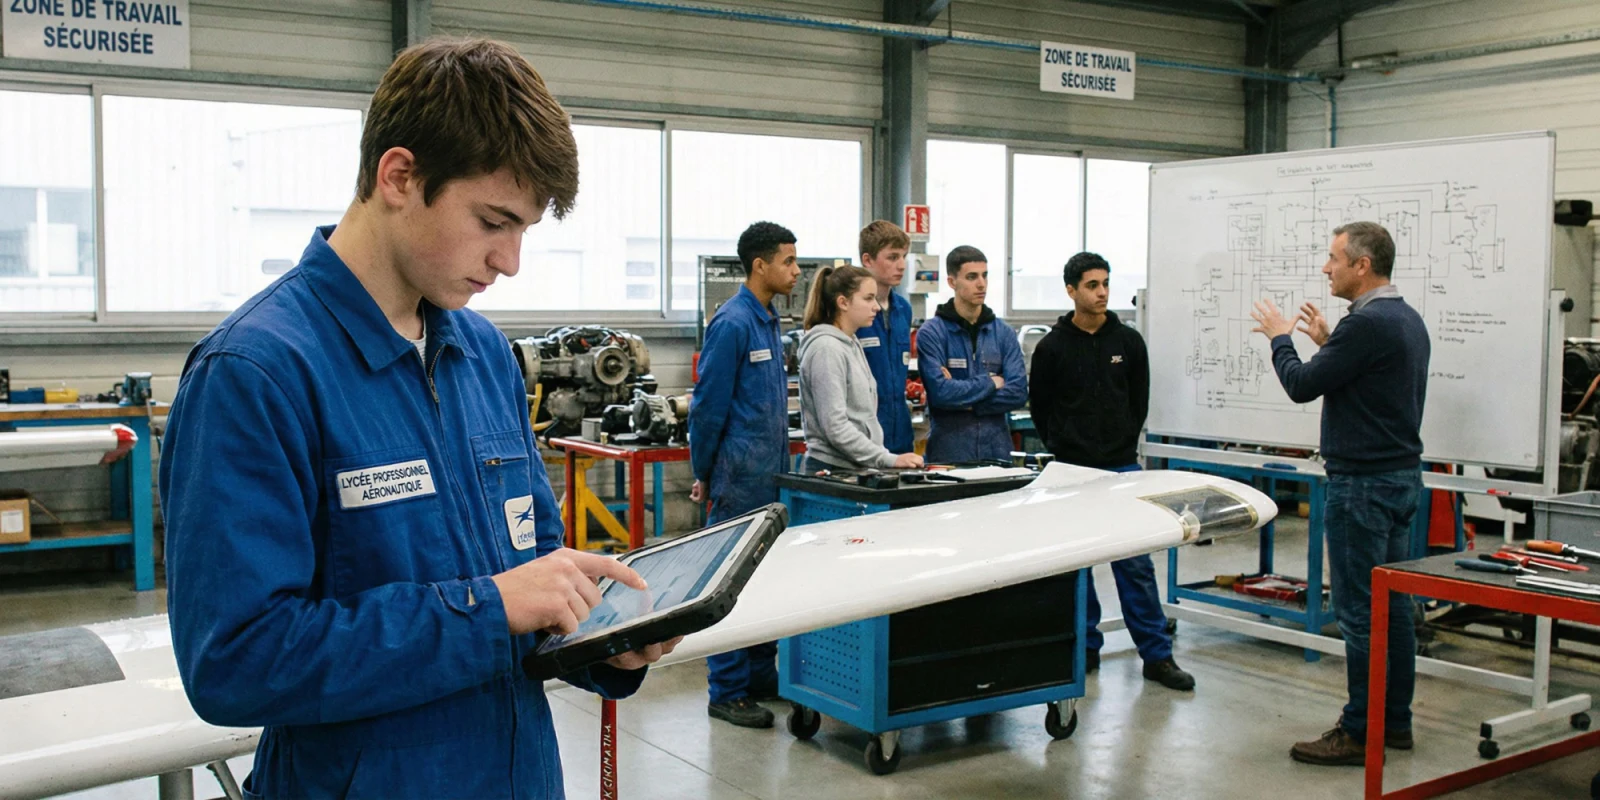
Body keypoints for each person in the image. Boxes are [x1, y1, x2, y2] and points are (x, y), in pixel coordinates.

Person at [159, 39, 678, 799]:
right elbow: (236, 663)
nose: (510, 261)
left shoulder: (484, 356)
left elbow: (530, 577)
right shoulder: (255, 374)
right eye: (493, 221)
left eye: (525, 231)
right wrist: (486, 609)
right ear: (398, 176)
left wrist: (600, 638)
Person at [1251, 221, 1430, 766]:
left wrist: (1280, 337)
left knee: (1358, 614)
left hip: (1363, 488)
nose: (1326, 268)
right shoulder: (1403, 319)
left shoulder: (1367, 326)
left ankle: (1358, 731)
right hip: (1400, 481)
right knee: (1394, 609)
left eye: (1333, 259)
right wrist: (1331, 343)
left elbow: (1303, 386)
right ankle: (1392, 722)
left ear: (1362, 266)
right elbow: (1370, 385)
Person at [1028, 251, 1194, 692]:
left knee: (1135, 566)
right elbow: (1041, 410)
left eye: (1105, 284)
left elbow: (1138, 401)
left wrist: (1120, 445)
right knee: (1078, 565)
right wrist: (1067, 450)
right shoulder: (1052, 348)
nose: (1102, 293)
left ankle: (1157, 657)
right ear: (1071, 291)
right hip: (1073, 471)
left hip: (1122, 468)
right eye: (1092, 286)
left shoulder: (1128, 342)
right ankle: (1085, 649)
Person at [688, 221, 799, 728]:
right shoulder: (732, 323)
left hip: (770, 473)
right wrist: (704, 472)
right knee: (728, 580)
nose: (796, 272)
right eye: (789, 262)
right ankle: (726, 690)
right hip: (737, 477)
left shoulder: (768, 321)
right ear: (760, 265)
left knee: (766, 577)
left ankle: (758, 673)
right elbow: (708, 407)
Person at [797, 265, 925, 474]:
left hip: (855, 466)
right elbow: (835, 427)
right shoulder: (827, 348)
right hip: (833, 469)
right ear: (843, 302)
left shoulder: (851, 342)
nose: (876, 306)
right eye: (868, 298)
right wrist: (886, 459)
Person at [916, 245, 1028, 463]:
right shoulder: (932, 333)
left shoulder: (1003, 333)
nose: (981, 284)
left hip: (997, 453)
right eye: (971, 277)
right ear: (952, 282)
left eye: (985, 275)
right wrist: (991, 383)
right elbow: (940, 394)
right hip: (949, 454)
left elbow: (1018, 392)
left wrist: (968, 403)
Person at [856, 220, 915, 454]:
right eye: (892, 257)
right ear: (867, 260)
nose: (901, 265)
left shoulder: (903, 309)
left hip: (900, 432)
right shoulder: (852, 309)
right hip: (864, 436)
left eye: (904, 257)